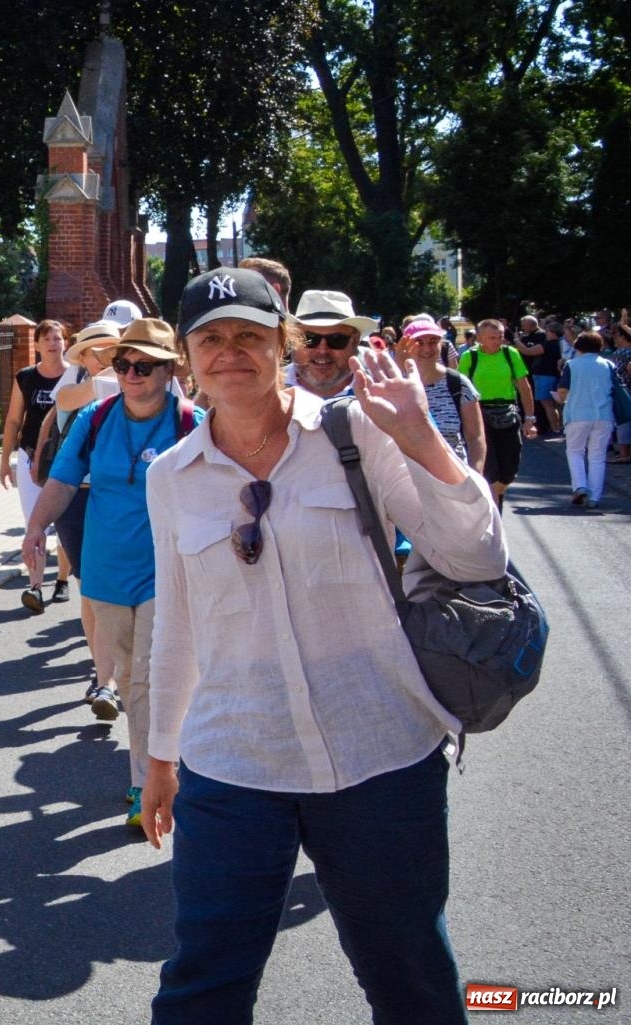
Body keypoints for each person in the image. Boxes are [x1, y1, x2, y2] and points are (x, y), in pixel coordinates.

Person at [139, 266, 508, 1025]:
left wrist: (422, 439)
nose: (230, 351)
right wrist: (158, 756)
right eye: (211, 338)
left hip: (379, 753)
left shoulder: (358, 433)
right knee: (202, 987)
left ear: (286, 342)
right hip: (234, 762)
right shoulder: (170, 477)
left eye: (249, 333)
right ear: (187, 356)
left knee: (411, 977)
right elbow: (178, 623)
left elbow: (476, 560)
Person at [22, 318, 201, 828]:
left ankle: (145, 783)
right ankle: (165, 762)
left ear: (169, 370)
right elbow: (61, 479)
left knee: (146, 673)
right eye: (123, 364)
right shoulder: (96, 418)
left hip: (167, 573)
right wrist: (36, 528)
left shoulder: (192, 422)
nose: (131, 373)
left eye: (144, 365)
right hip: (104, 571)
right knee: (126, 676)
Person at [34, 317, 124, 717]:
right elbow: (67, 403)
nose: (109, 356)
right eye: (99, 350)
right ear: (83, 356)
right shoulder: (73, 385)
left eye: (115, 348)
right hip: (79, 499)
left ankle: (115, 675)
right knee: (91, 587)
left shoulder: (143, 378)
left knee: (121, 585)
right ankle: (104, 677)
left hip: (123, 496)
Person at [0, 320, 72, 600]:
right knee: (34, 524)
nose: (54, 344)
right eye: (48, 339)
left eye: (58, 338)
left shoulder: (75, 377)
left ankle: (62, 581)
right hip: (30, 459)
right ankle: (36, 587)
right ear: (37, 345)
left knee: (64, 523)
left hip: (65, 462)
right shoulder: (26, 378)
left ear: (65, 342)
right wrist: (5, 461)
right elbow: (14, 420)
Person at [458, 318, 538, 511]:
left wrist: (530, 419)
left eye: (500, 336)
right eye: (492, 337)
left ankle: (497, 495)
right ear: (480, 338)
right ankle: (494, 517)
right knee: (490, 469)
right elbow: (461, 389)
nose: (497, 341)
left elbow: (523, 387)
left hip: (507, 414)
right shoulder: (470, 357)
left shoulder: (511, 354)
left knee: (509, 470)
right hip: (480, 414)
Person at [403, 318, 486, 470]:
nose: (427, 349)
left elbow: (476, 437)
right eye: (419, 343)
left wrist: (476, 475)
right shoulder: (396, 384)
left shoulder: (457, 383)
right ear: (406, 346)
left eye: (433, 342)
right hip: (406, 480)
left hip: (454, 476)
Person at [556, 330, 617, 508]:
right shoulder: (608, 364)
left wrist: (561, 399)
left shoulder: (572, 365)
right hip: (604, 415)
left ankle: (580, 486)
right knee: (597, 456)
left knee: (575, 451)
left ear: (577, 346)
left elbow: (562, 392)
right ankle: (595, 497)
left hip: (577, 414)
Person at [288, 289, 376, 399]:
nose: (322, 350)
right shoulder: (267, 388)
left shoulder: (380, 392)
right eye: (309, 338)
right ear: (292, 338)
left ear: (355, 340)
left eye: (336, 339)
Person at [603, 323, 631, 464]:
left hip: (623, 391)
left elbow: (615, 373)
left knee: (623, 422)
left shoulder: (620, 354)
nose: (614, 338)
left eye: (616, 335)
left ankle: (624, 454)